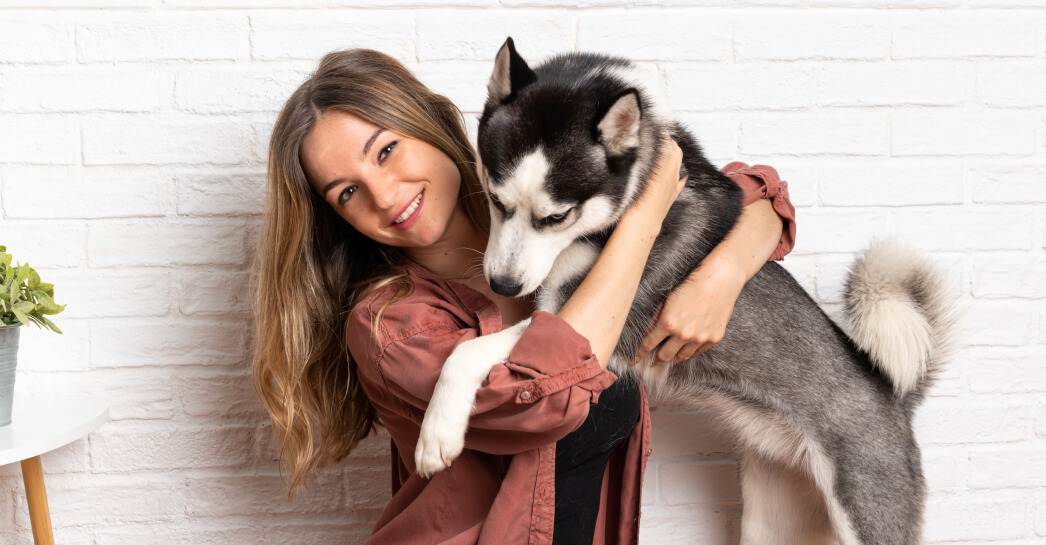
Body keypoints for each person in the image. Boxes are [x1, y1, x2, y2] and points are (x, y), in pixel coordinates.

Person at [251, 49, 796, 545]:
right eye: (347, 192)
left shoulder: (562, 226)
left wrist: (721, 274)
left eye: (387, 151)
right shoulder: (392, 325)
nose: (385, 195)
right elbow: (557, 394)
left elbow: (751, 191)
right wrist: (644, 219)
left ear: (429, 122)